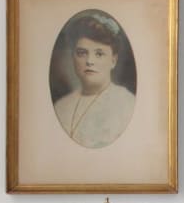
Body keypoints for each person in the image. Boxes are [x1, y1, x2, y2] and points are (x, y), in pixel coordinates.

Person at [52, 11, 135, 149]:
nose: (89, 61)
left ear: (113, 60)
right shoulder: (61, 106)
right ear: (73, 58)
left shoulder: (126, 104)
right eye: (82, 53)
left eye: (99, 54)